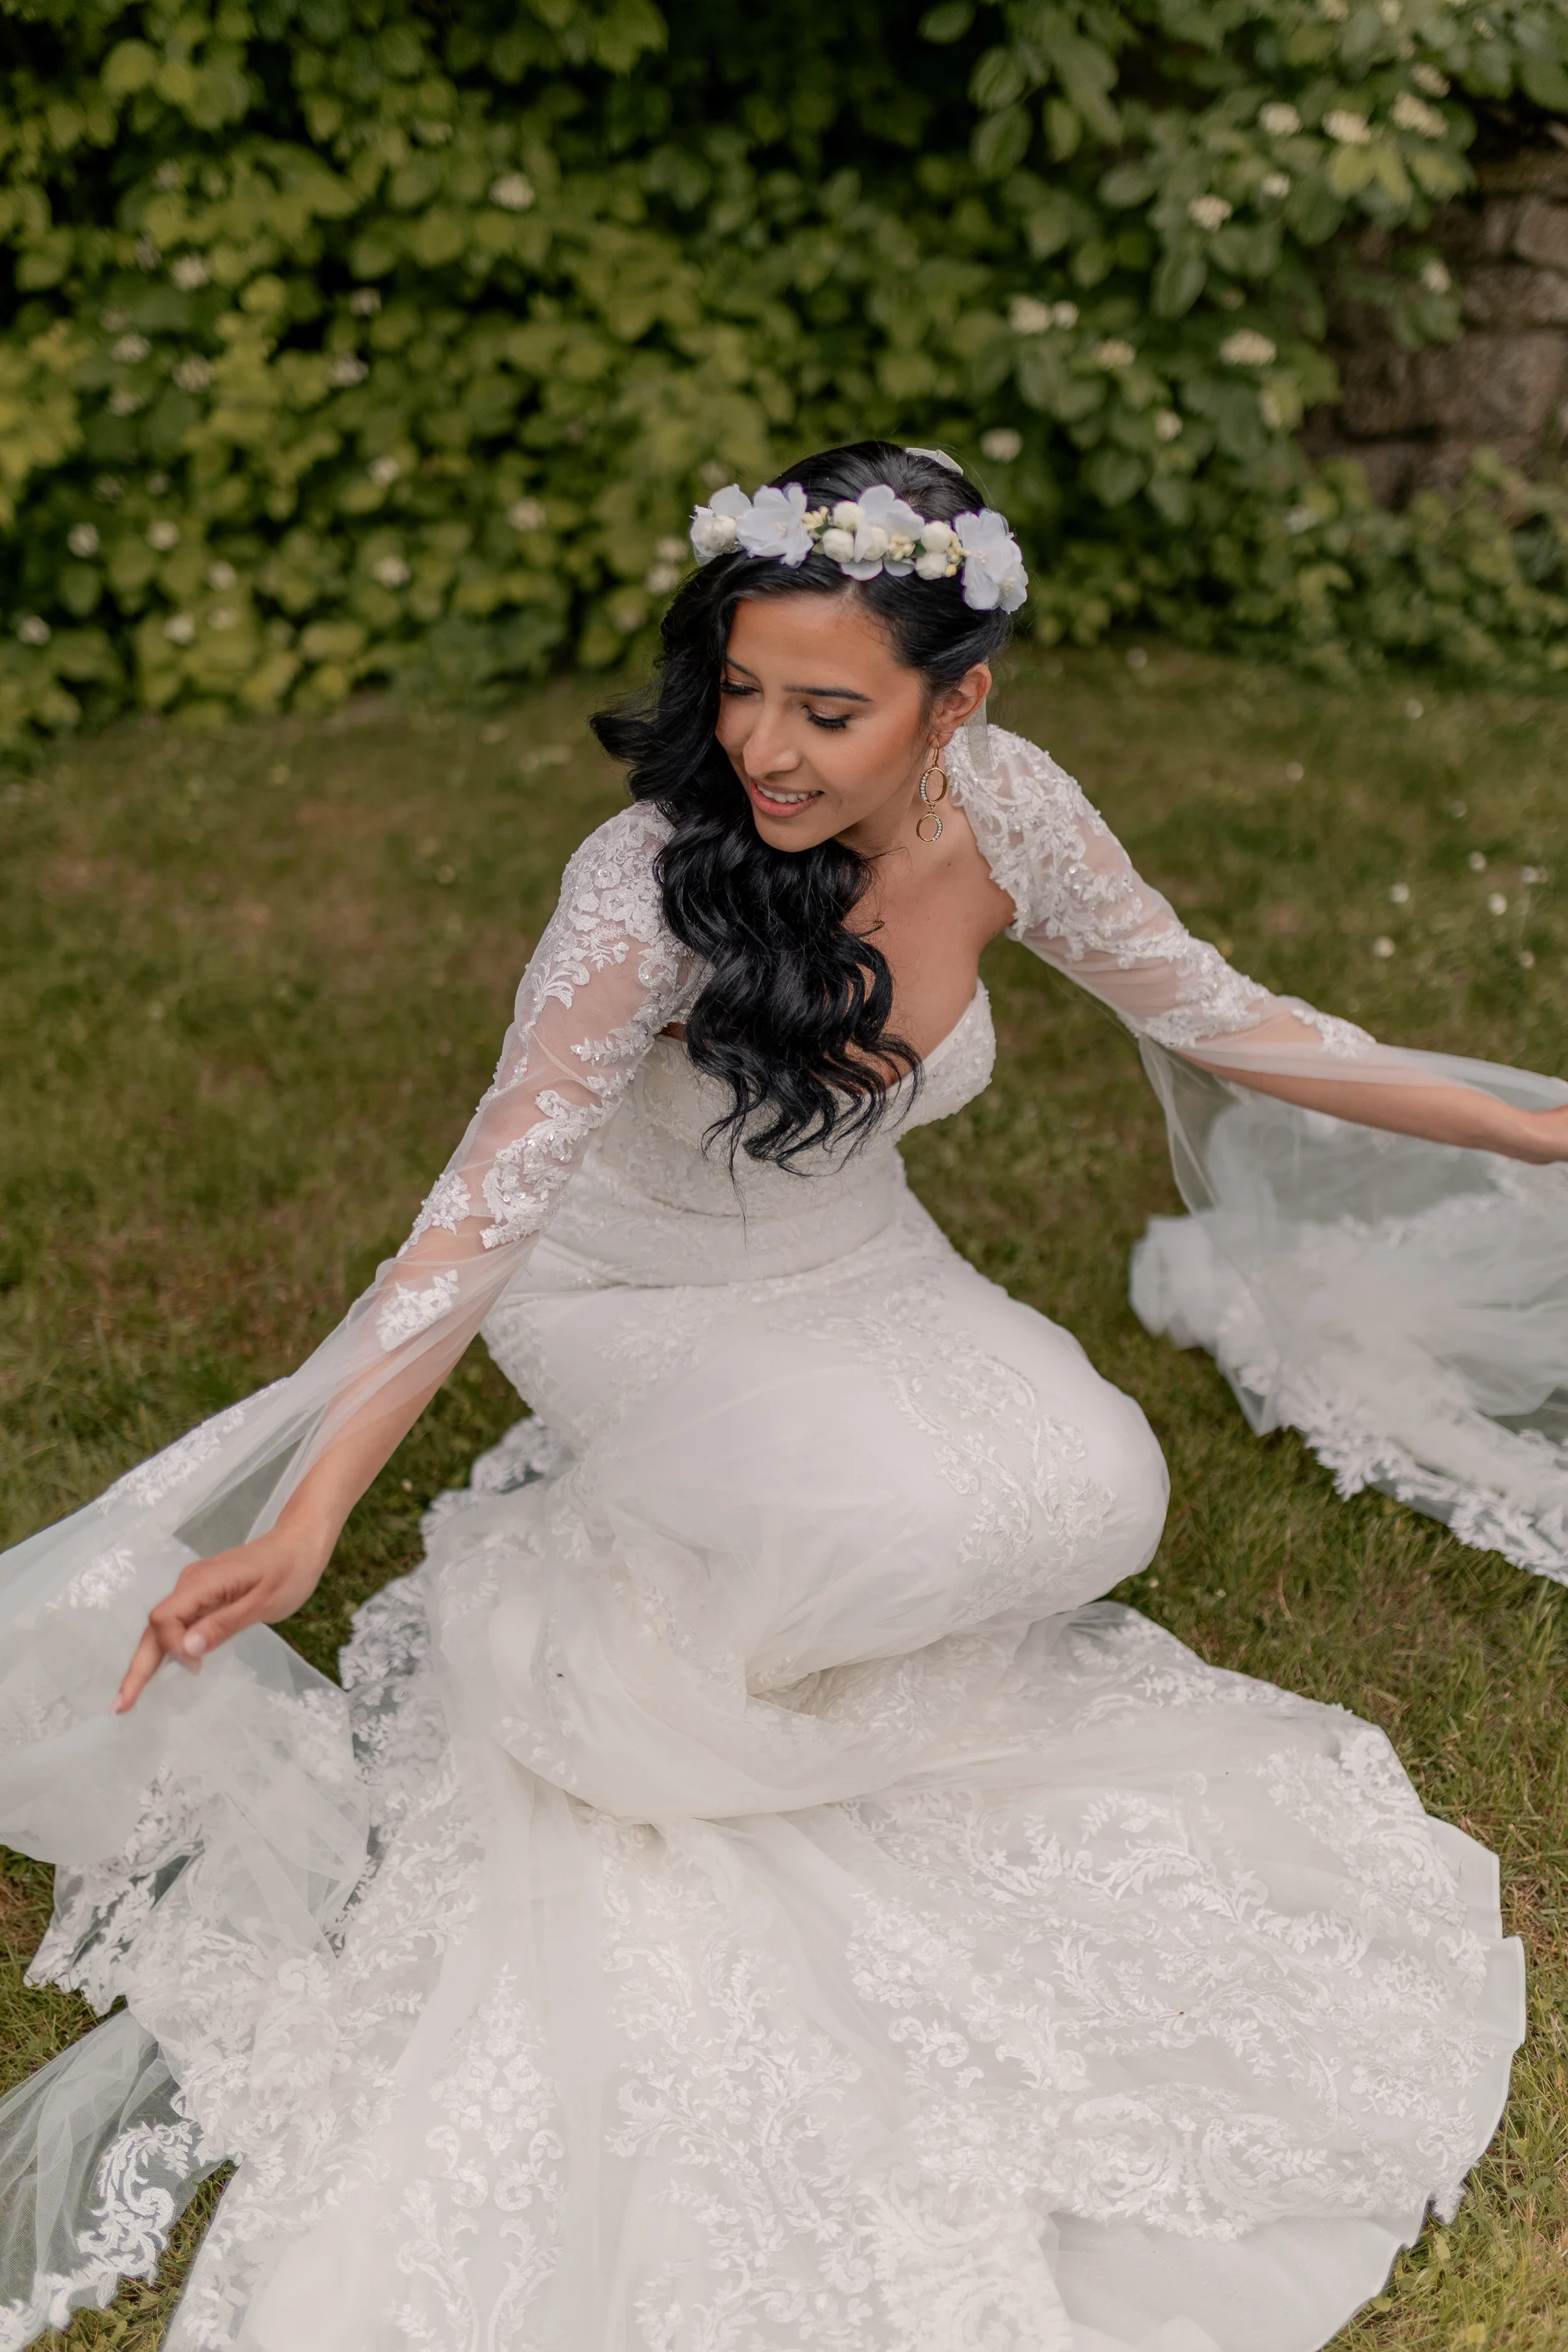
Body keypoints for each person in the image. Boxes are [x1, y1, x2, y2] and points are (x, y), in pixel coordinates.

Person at [0, 440, 1562, 2352]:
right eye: (740, 689)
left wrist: (1522, 1123)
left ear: (955, 701)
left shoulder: (1012, 810)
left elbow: (1216, 1011)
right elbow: (485, 1212)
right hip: (621, 1287)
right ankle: (605, 1619)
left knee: (1092, 1495)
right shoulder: (647, 883)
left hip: (849, 1256)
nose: (766, 746)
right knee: (896, 1523)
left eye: (829, 708)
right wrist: (313, 1508)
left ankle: (768, 1554)